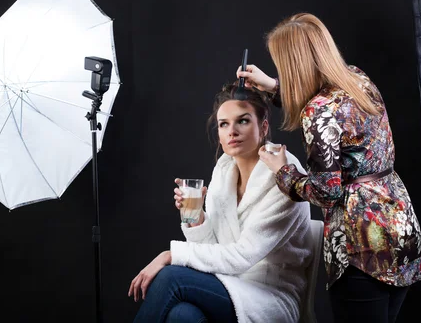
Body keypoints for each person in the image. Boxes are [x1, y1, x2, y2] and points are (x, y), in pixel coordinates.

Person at [237, 13, 421, 323]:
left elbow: (326, 192)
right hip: (400, 228)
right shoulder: (357, 79)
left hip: (361, 246)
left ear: (293, 63)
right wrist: (273, 86)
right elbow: (327, 106)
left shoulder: (318, 112)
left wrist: (282, 171)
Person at [128, 83, 312, 323]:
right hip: (227, 284)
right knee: (182, 315)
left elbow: (241, 256)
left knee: (169, 277)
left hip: (270, 297)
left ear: (263, 126)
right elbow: (215, 248)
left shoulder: (285, 174)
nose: (231, 131)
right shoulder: (225, 169)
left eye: (243, 121)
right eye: (224, 124)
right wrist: (195, 218)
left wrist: (170, 254)